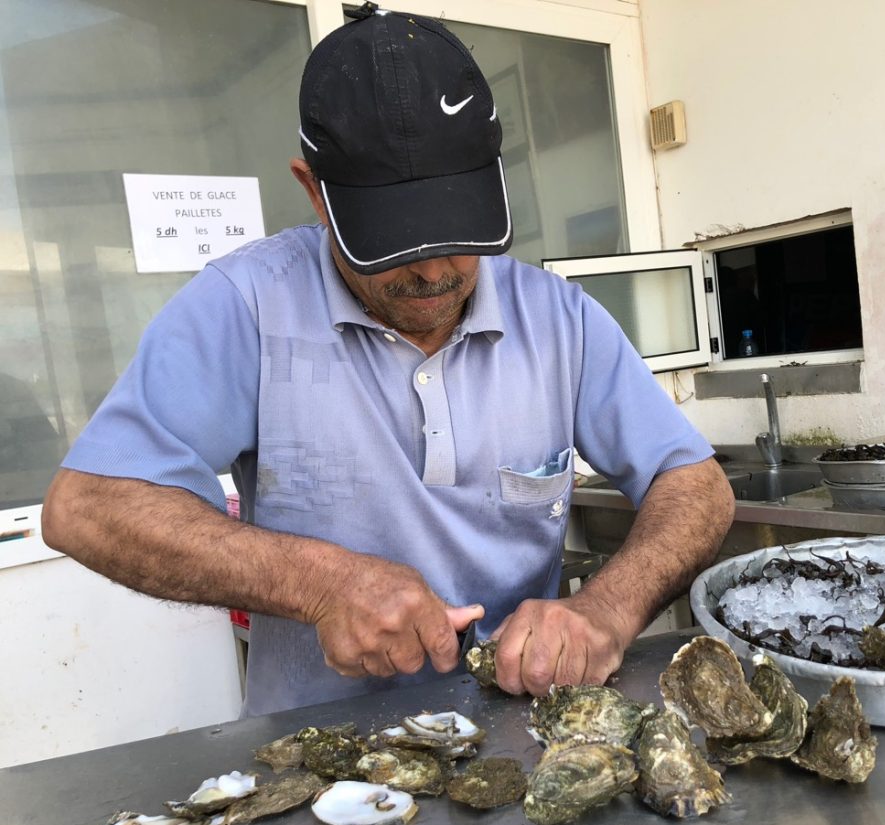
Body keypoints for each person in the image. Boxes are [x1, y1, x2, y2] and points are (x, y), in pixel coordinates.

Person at [41, 5, 735, 716]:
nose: (434, 272)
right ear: (315, 192)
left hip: (522, 737)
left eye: (459, 233)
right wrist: (319, 582)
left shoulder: (562, 321)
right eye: (395, 245)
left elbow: (697, 486)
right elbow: (88, 508)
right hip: (318, 761)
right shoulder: (245, 307)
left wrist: (607, 610)